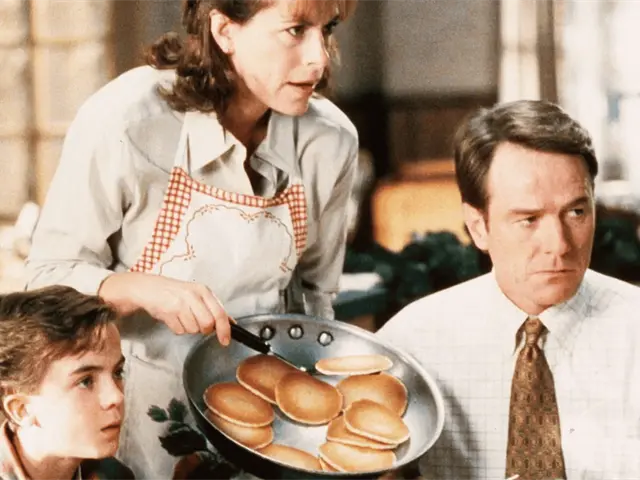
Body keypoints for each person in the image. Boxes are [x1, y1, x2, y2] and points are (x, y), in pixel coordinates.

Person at [25, 0, 359, 477]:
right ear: (224, 30)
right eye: (295, 30)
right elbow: (46, 282)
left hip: (267, 423)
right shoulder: (126, 121)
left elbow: (315, 299)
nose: (319, 58)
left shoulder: (331, 141)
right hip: (137, 422)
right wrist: (141, 289)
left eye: (327, 29)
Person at [377, 100, 640, 480]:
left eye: (576, 212)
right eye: (528, 219)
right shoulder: (411, 343)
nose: (559, 244)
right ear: (478, 227)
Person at [0, 286, 133, 480]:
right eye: (86, 381)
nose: (117, 397)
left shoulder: (111, 475)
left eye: (117, 372)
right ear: (21, 409)